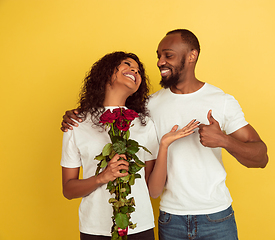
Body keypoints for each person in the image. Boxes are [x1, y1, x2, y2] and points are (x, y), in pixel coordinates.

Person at [61, 29, 268, 240]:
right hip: (170, 219)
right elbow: (112, 108)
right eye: (158, 56)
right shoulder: (148, 106)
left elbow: (261, 157)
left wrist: (224, 140)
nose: (160, 62)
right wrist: (77, 115)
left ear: (191, 56)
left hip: (217, 217)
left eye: (168, 55)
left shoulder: (221, 101)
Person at [60, 51, 199, 240]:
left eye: (138, 70)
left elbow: (154, 191)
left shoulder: (144, 124)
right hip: (95, 228)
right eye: (127, 64)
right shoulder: (77, 123)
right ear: (106, 72)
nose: (134, 70)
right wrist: (102, 177)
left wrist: (164, 145)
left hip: (140, 227)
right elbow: (68, 190)